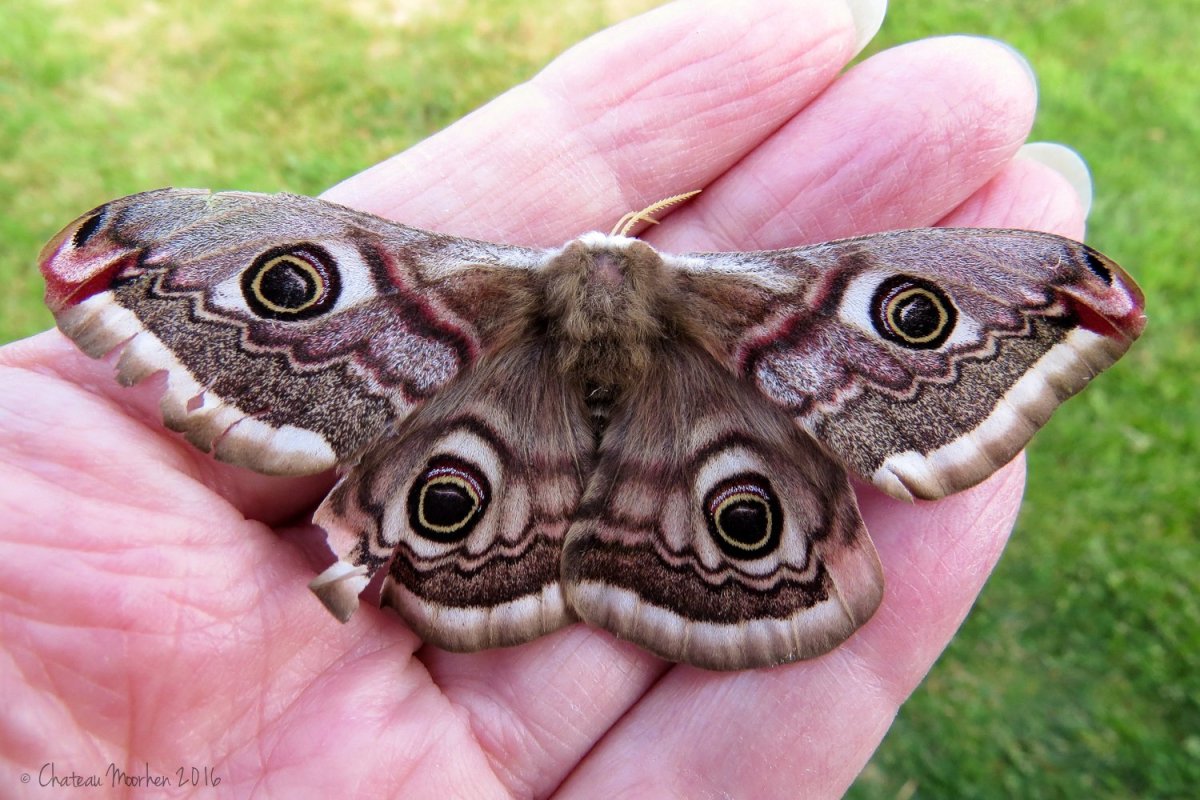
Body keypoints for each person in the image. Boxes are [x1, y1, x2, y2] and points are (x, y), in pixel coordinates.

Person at [0, 1, 1093, 795]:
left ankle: (469, 520)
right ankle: (706, 528)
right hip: (707, 438)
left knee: (455, 477)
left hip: (492, 427)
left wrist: (1036, 301)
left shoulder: (434, 288)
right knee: (738, 497)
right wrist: (161, 259)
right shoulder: (781, 300)